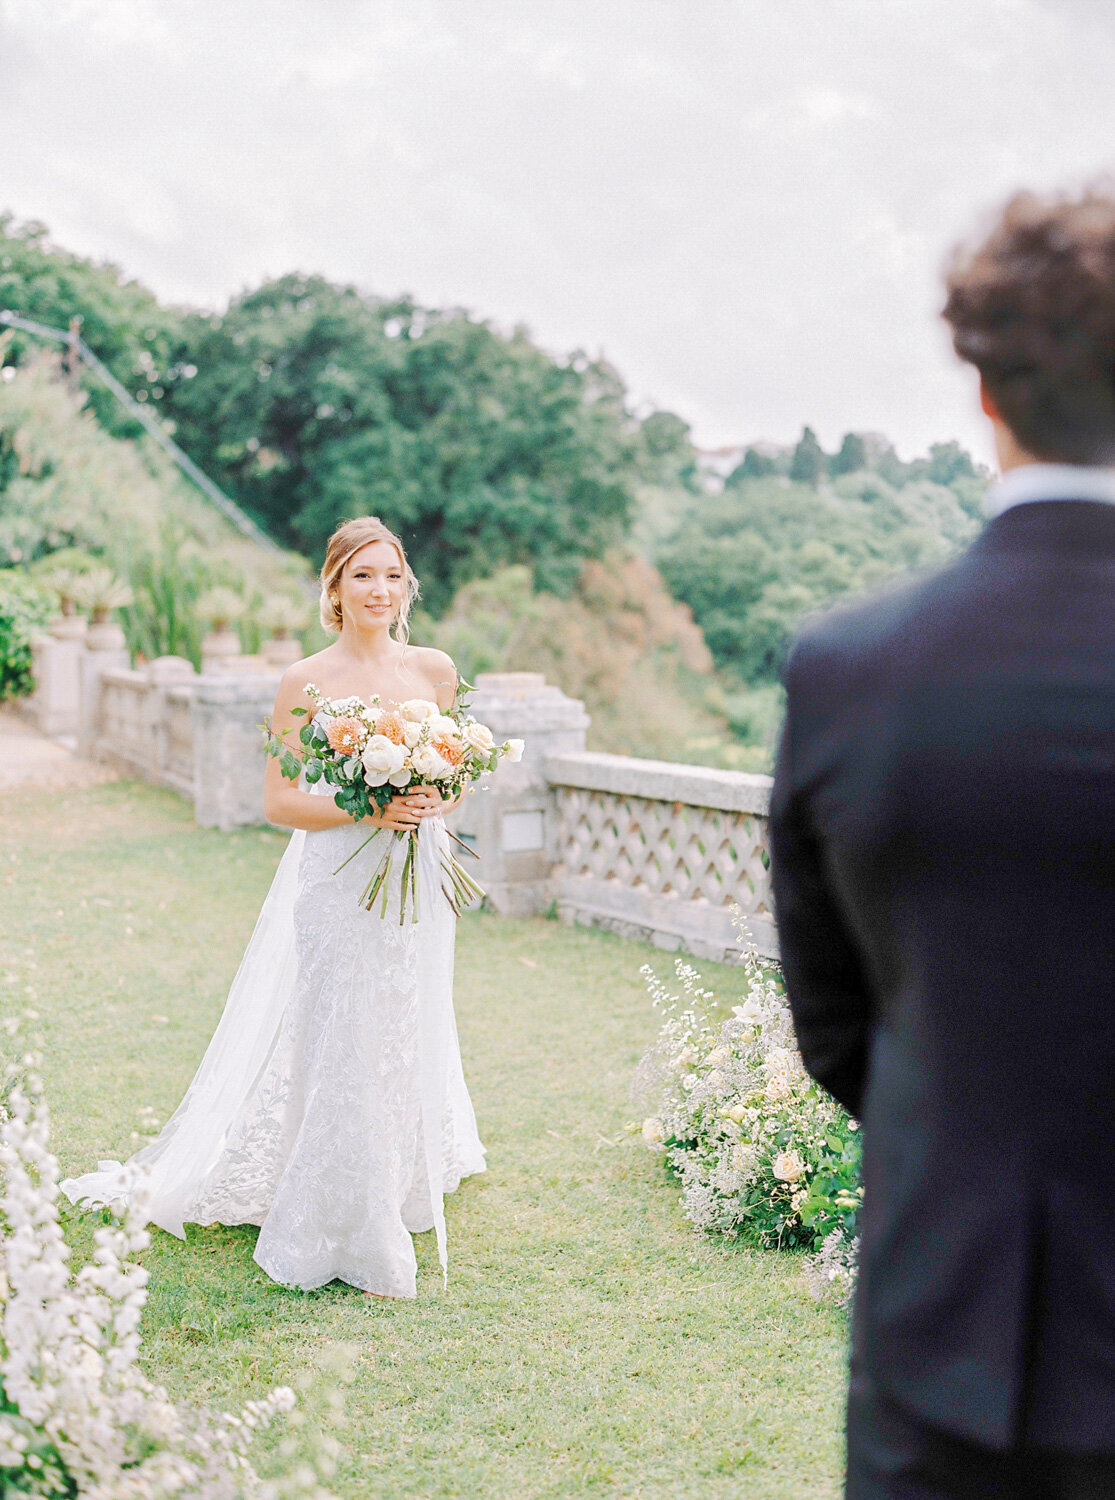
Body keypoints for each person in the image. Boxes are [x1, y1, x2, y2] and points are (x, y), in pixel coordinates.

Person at [769, 186, 1115, 1498]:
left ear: (981, 396)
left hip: (940, 1329)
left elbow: (833, 1022)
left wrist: (960, 1129)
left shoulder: (848, 667)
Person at [63, 516, 486, 1298]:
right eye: (362, 575)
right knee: (338, 1025)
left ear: (408, 584)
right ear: (333, 586)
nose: (380, 590)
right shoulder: (304, 680)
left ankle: (397, 1173)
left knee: (403, 1015)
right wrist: (367, 810)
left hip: (415, 877)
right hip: (334, 879)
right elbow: (280, 801)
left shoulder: (435, 669)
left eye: (392, 575)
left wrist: (433, 789)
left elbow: (456, 777)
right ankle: (334, 1203)